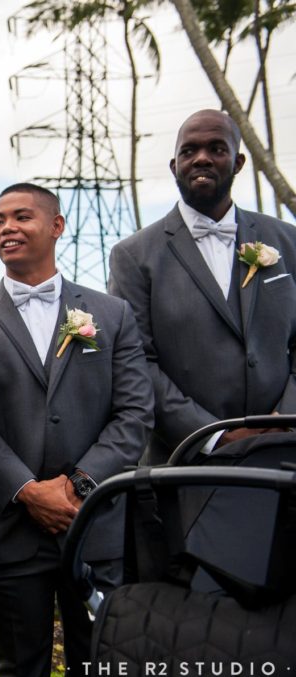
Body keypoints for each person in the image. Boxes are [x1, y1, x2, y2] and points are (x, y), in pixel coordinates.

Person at [0, 183, 153, 677]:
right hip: (7, 531)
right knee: (17, 670)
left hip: (95, 525)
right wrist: (27, 491)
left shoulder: (110, 314)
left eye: (21, 216)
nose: (6, 228)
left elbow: (135, 412)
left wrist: (78, 486)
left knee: (101, 665)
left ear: (56, 226)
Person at [108, 109, 296, 464]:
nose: (202, 159)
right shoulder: (134, 256)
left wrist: (283, 420)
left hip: (286, 454)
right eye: (189, 151)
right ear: (174, 164)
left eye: (216, 148)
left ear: (238, 162)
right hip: (187, 462)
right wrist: (215, 435)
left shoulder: (287, 241)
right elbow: (136, 363)